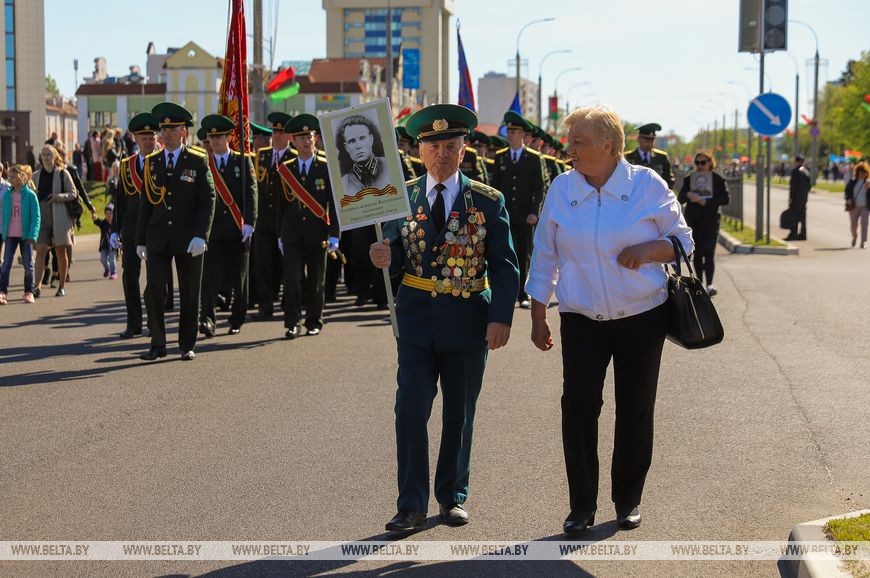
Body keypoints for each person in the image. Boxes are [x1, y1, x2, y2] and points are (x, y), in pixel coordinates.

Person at [526, 106, 693, 535]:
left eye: (578, 141)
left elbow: (683, 239)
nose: (570, 149)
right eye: (570, 141)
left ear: (609, 145)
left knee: (635, 408)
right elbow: (545, 253)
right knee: (579, 408)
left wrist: (649, 251)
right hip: (582, 317)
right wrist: (539, 313)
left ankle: (628, 498)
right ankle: (581, 504)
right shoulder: (562, 187)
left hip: (642, 315)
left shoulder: (646, 184)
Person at [369, 104, 519, 532]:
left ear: (463, 150)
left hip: (468, 319)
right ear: (419, 151)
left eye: (450, 146)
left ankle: (452, 496)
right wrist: (382, 256)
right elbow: (394, 248)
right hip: (416, 320)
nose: (442, 154)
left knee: (460, 412)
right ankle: (410, 503)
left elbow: (505, 266)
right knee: (410, 409)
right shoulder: (401, 198)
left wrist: (501, 318)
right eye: (433, 147)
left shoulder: (487, 200)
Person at [136, 102, 215, 361]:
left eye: (173, 129)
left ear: (184, 132)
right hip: (158, 237)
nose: (167, 134)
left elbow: (208, 200)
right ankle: (158, 343)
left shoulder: (197, 160)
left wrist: (201, 235)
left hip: (188, 237)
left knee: (190, 293)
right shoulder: (152, 162)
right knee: (155, 291)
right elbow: (145, 203)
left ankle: (187, 344)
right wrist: (140, 240)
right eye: (164, 129)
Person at [277, 114, 339, 338]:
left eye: (309, 137)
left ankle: (314, 320)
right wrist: (279, 234)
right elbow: (279, 205)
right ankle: (292, 322)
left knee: (316, 281)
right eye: (301, 137)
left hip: (318, 233)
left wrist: (335, 234)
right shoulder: (285, 169)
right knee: (292, 279)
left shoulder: (326, 167)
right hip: (292, 234)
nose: (306, 141)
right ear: (293, 141)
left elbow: (334, 202)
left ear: (316, 139)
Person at [198, 114, 257, 337]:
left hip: (236, 228)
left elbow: (251, 192)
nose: (215, 141)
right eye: (212, 137)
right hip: (212, 230)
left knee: (239, 278)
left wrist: (249, 222)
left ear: (229, 138)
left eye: (219, 137)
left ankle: (237, 318)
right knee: (208, 279)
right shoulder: (204, 163)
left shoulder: (242, 161)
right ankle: (207, 320)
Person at [489, 111, 545, 309]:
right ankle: (505, 293)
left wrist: (534, 212)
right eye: (509, 131)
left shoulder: (533, 158)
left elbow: (539, 188)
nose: (510, 135)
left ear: (522, 134)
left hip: (525, 216)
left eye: (514, 132)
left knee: (523, 254)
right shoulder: (501, 156)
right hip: (505, 215)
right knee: (502, 254)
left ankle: (522, 293)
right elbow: (494, 186)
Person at [112, 112, 159, 339]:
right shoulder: (126, 165)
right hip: (131, 231)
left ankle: (154, 321)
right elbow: (120, 200)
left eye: (151, 137)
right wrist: (115, 230)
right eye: (144, 138)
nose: (148, 141)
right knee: (130, 277)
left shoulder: (163, 162)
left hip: (156, 230)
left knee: (156, 279)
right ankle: (133, 324)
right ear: (136, 139)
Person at [251, 111, 293, 321]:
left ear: (289, 136)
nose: (277, 135)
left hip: (286, 220)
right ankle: (265, 306)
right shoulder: (263, 155)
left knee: (288, 266)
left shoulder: (294, 157)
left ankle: (289, 303)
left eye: (281, 132)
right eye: (275, 131)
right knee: (263, 265)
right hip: (264, 220)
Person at [678, 150, 730, 296]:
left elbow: (725, 199)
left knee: (709, 252)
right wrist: (689, 195)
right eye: (697, 163)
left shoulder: (718, 179)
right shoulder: (690, 179)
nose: (700, 166)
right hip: (694, 220)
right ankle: (699, 284)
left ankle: (710, 284)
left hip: (711, 221)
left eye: (703, 162)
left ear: (710, 163)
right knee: (697, 252)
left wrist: (706, 201)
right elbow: (680, 198)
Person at [32, 145, 78, 297]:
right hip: (43, 216)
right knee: (40, 250)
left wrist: (57, 197)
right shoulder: (36, 175)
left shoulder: (63, 173)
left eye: (49, 154)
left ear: (54, 156)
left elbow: (73, 193)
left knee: (60, 251)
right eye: (43, 154)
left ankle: (61, 286)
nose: (46, 157)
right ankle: (37, 287)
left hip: (60, 215)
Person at [0, 165, 40, 305]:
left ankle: (29, 292)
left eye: (13, 176)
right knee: (6, 264)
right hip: (10, 235)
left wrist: (33, 235)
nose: (10, 179)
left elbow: (36, 217)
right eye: (9, 177)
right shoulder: (7, 195)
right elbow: (4, 215)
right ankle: (2, 292)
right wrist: (4, 232)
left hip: (26, 236)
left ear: (22, 177)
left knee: (28, 265)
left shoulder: (30, 196)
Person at [336, 114, 391, 197]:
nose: (358, 146)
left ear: (371, 139)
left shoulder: (390, 166)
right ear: (346, 147)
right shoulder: (344, 183)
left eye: (362, 138)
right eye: (352, 141)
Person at [624, 123, 676, 189]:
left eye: (652, 141)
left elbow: (669, 179)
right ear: (639, 139)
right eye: (647, 141)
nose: (650, 144)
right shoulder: (627, 157)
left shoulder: (662, 157)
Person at [786, 154, 811, 241]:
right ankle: (803, 234)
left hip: (796, 197)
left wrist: (791, 197)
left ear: (796, 161)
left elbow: (793, 186)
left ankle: (793, 234)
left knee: (794, 215)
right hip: (804, 197)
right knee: (802, 216)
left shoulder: (795, 171)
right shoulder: (806, 171)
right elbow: (809, 185)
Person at [845, 161, 869, 249]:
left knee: (864, 223)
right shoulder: (852, 182)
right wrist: (849, 199)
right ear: (857, 172)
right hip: (854, 206)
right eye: (860, 172)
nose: (862, 174)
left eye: (864, 172)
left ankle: (863, 242)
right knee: (853, 225)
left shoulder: (868, 182)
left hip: (865, 206)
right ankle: (854, 236)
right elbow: (847, 191)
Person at [93, 204, 116, 279]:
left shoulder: (115, 224)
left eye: (110, 213)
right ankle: (107, 269)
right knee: (102, 259)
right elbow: (97, 222)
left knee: (112, 260)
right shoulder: (103, 223)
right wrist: (94, 217)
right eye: (107, 213)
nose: (108, 215)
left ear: (113, 214)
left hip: (113, 246)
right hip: (104, 245)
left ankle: (113, 273)